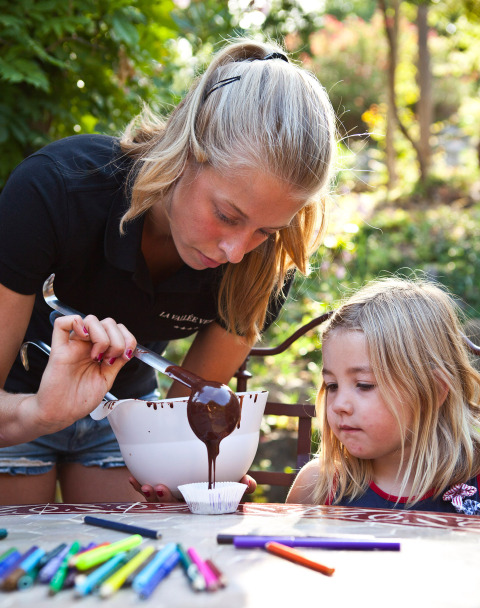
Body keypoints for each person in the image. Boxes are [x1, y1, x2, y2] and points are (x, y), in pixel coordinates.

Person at [0, 37, 337, 505]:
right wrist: (41, 411)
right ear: (185, 150)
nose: (236, 252)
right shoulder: (55, 192)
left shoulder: (264, 261)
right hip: (16, 405)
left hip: (130, 411)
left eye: (266, 230)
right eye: (227, 215)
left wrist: (193, 472)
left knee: (129, 559)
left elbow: (185, 414)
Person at [287, 277, 480, 514]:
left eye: (364, 385)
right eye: (332, 385)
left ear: (435, 390)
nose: (339, 405)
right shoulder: (318, 485)